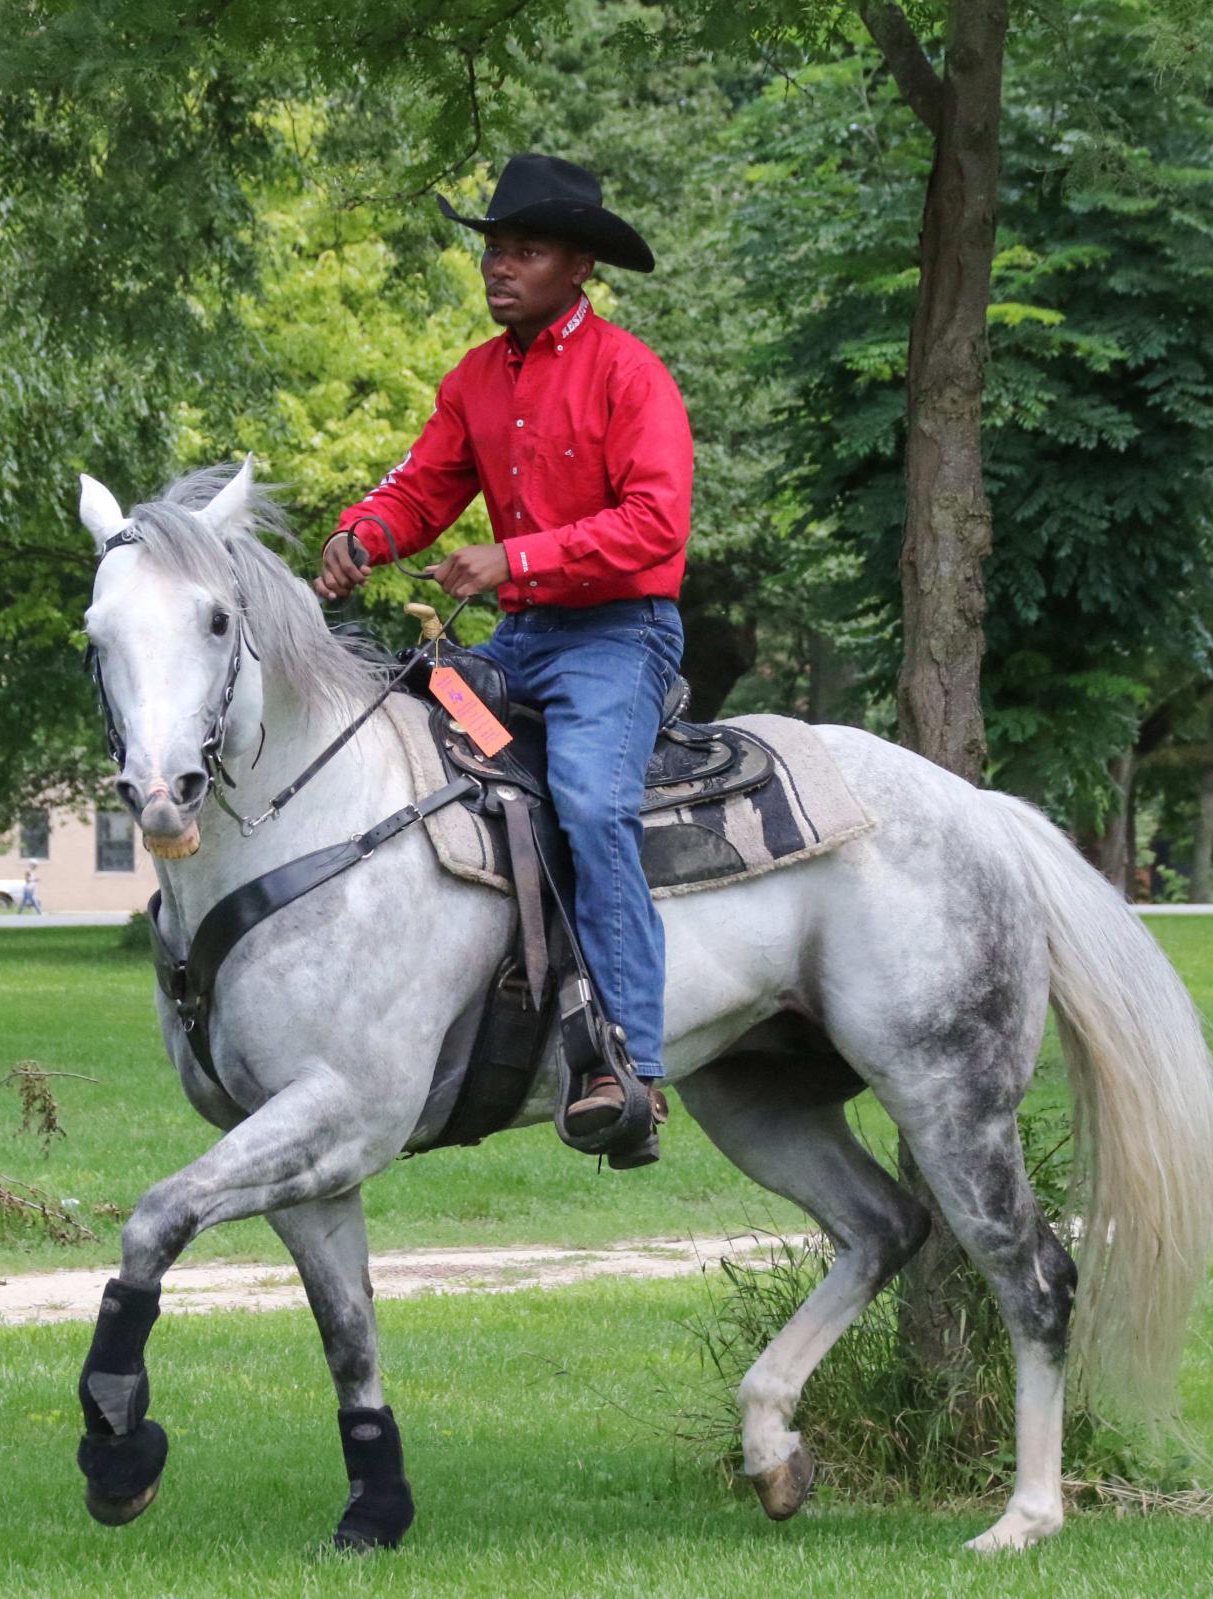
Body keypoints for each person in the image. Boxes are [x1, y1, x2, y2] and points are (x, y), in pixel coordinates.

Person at [314, 153, 692, 1161]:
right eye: (494, 249)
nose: (500, 267)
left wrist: (512, 556)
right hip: (520, 643)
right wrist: (363, 536)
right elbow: (421, 490)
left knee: (592, 800)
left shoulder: (629, 374)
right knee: (400, 746)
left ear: (579, 267)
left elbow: (656, 525)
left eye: (524, 251)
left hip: (617, 636)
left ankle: (629, 1063)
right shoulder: (475, 380)